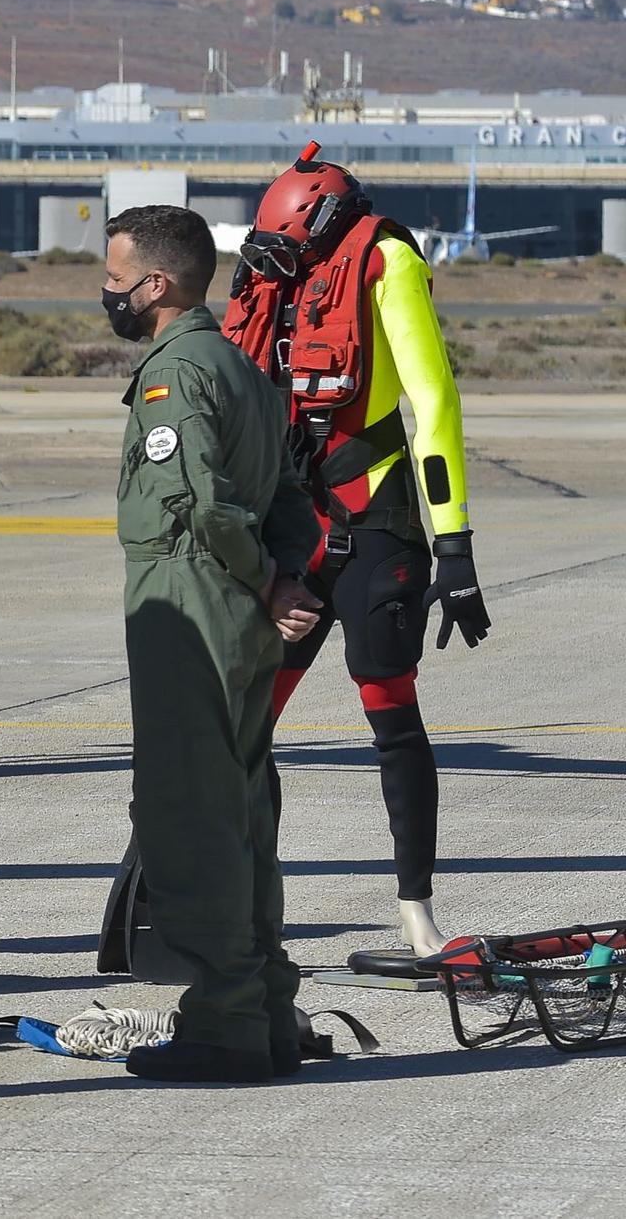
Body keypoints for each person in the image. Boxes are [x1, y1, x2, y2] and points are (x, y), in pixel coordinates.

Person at [224, 143, 491, 957]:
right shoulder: (276, 272)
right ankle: (231, 900)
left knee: (389, 710)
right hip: (292, 527)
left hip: (371, 521)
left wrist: (456, 548)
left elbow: (431, 404)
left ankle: (417, 914)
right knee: (242, 724)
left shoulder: (387, 259)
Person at [103, 204, 323, 1083]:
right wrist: (288, 575)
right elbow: (291, 496)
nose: (109, 293)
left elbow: (202, 499)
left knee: (188, 811)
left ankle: (224, 1020)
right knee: (243, 813)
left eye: (116, 278)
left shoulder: (177, 375)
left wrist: (267, 578)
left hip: (191, 598)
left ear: (157, 284)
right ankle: (264, 1007)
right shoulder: (242, 366)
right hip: (237, 611)